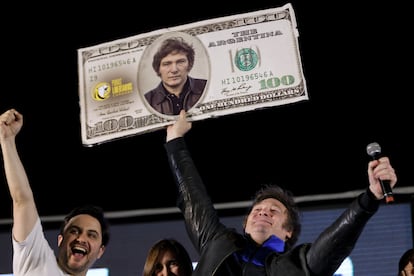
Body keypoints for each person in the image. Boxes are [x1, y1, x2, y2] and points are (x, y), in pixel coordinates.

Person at [164, 110, 398, 276]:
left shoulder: (295, 267)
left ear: (288, 232)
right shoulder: (216, 243)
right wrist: (175, 141)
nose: (263, 212)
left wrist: (370, 197)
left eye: (274, 211)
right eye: (258, 210)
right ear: (245, 223)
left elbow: (336, 242)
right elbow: (194, 199)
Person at [0, 108, 110, 276]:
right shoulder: (35, 258)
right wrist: (7, 140)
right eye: (74, 231)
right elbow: (22, 200)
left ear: (100, 251)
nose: (81, 238)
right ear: (60, 240)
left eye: (92, 235)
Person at [144, 36, 207, 116]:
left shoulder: (207, 87)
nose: (174, 70)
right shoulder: (147, 100)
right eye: (166, 64)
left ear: (189, 64)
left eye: (180, 62)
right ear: (158, 69)